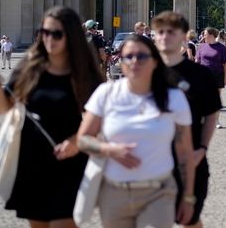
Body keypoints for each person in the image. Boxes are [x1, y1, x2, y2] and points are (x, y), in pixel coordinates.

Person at [0, 6, 104, 227]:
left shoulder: (85, 75)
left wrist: (76, 141)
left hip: (70, 162)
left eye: (56, 33)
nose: (49, 38)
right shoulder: (30, 67)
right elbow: (4, 108)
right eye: (44, 32)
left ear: (72, 36)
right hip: (32, 162)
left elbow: (101, 120)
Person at [76, 34, 196, 228]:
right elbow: (82, 140)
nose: (134, 61)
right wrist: (109, 150)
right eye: (128, 57)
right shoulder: (105, 93)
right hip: (114, 193)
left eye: (141, 56)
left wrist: (188, 197)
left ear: (155, 61)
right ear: (120, 62)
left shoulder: (173, 98)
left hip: (159, 192)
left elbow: (185, 153)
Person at [153, 14, 222, 228]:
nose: (165, 37)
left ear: (184, 36)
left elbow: (211, 114)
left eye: (171, 32)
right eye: (160, 32)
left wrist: (202, 147)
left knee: (189, 220)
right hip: (151, 160)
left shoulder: (201, 75)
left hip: (190, 158)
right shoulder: (145, 72)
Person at [194, 26, 226, 129]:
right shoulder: (201, 46)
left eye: (205, 34)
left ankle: (216, 120)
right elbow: (197, 61)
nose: (203, 36)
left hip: (217, 75)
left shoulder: (221, 47)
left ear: (211, 35)